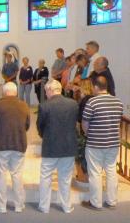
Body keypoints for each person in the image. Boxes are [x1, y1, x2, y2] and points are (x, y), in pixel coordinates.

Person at [81, 76, 123, 210]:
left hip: (95, 144)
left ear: (96, 87)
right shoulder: (118, 102)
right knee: (111, 171)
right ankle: (112, 201)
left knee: (95, 172)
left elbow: (85, 124)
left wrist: (88, 134)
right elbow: (118, 123)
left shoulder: (92, 102)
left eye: (93, 86)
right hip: (113, 143)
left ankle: (96, 202)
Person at [0, 82, 30, 214]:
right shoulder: (23, 105)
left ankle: (1, 206)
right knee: (17, 175)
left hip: (1, 144)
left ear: (4, 92)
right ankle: (19, 205)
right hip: (19, 143)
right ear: (16, 92)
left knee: (1, 175)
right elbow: (27, 126)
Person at [37, 80, 78, 214]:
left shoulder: (44, 106)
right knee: (65, 178)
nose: (45, 94)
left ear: (49, 90)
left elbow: (40, 127)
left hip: (50, 146)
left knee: (45, 177)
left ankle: (44, 207)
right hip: (68, 146)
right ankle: (66, 206)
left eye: (46, 91)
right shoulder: (73, 104)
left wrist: (45, 135)